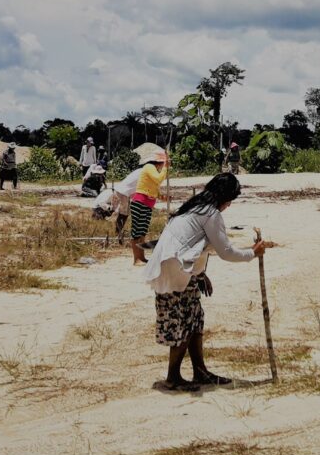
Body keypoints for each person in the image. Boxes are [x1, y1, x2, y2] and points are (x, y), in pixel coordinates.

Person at [143, 173, 266, 392]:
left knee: (195, 318)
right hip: (173, 271)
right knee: (182, 321)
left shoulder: (194, 207)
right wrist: (252, 253)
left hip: (178, 268)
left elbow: (193, 245)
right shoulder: (211, 214)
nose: (228, 205)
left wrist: (199, 275)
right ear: (223, 198)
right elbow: (226, 252)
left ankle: (199, 370)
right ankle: (173, 377)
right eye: (229, 200)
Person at [129, 150, 168, 265]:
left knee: (142, 232)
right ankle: (137, 259)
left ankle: (141, 257)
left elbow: (155, 191)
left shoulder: (154, 171)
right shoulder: (149, 167)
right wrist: (166, 167)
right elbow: (158, 179)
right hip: (140, 202)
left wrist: (164, 197)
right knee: (136, 232)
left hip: (147, 204)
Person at [108, 163, 143, 242]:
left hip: (121, 190)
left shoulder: (139, 171)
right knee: (123, 214)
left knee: (123, 214)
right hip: (124, 192)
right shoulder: (145, 173)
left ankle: (118, 232)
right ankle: (118, 233)